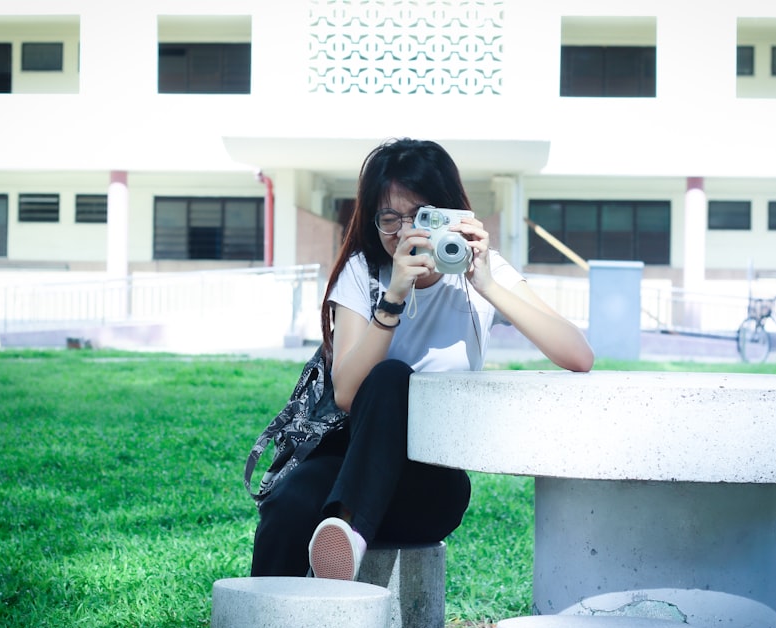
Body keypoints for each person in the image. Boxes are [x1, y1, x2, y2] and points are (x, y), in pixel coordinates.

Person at [250, 137, 593, 580]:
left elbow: (578, 354)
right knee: (292, 502)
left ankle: (349, 530)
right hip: (350, 463)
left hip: (430, 480)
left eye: (423, 217)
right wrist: (392, 299)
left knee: (394, 377)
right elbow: (348, 392)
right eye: (390, 218)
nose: (406, 232)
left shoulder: (484, 272)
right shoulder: (365, 271)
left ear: (453, 215)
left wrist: (486, 284)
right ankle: (273, 615)